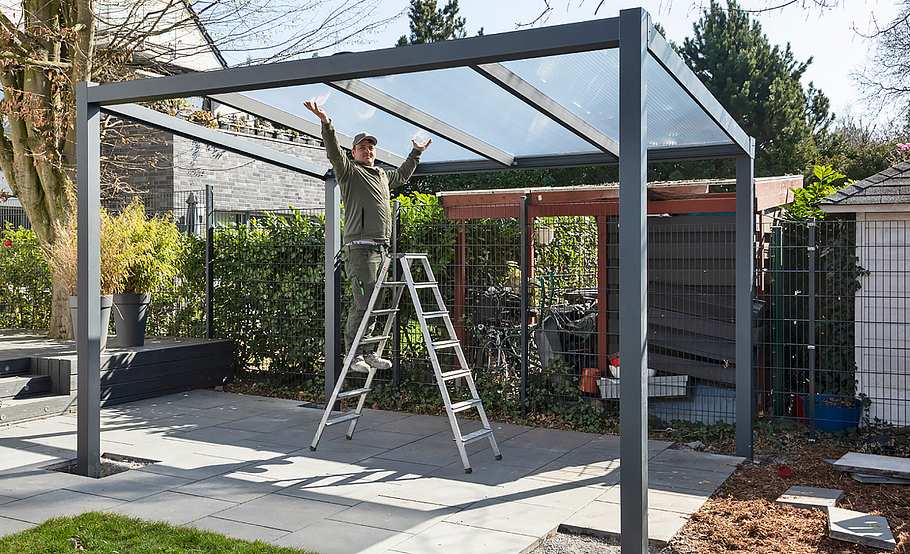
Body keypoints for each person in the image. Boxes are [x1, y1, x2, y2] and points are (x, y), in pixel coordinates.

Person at [303, 100, 432, 373]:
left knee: (374, 303)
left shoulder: (382, 175)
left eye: (371, 147)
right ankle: (354, 355)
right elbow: (333, 152)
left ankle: (369, 350)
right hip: (360, 250)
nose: (368, 150)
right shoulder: (349, 171)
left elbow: (403, 175)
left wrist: (416, 152)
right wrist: (326, 122)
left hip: (381, 250)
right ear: (354, 152)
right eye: (363, 147)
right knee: (363, 303)